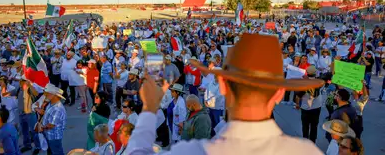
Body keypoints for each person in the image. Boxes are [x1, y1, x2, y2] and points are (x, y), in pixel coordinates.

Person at [125, 33, 324, 154]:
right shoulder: (306, 152)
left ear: (222, 85)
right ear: (280, 94)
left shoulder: (193, 151)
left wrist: (149, 108)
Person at [295, 66, 325, 143]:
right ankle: (313, 141)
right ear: (315, 73)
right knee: (314, 126)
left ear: (307, 73)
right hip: (317, 107)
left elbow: (298, 96)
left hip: (305, 108)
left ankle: (305, 141)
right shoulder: (320, 82)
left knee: (305, 126)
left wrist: (297, 104)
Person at [39, 84, 67, 155]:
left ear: (54, 95)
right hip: (49, 135)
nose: (45, 95)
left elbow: (51, 125)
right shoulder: (51, 104)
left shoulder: (57, 109)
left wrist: (41, 127)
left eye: (47, 94)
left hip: (53, 137)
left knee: (57, 152)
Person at [17, 77, 41, 154]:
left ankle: (38, 146)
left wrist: (30, 85)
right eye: (20, 80)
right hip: (21, 114)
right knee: (24, 131)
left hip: (30, 113)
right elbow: (8, 93)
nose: (20, 82)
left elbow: (36, 93)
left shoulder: (29, 89)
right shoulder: (19, 89)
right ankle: (27, 145)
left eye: (22, 81)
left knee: (34, 131)